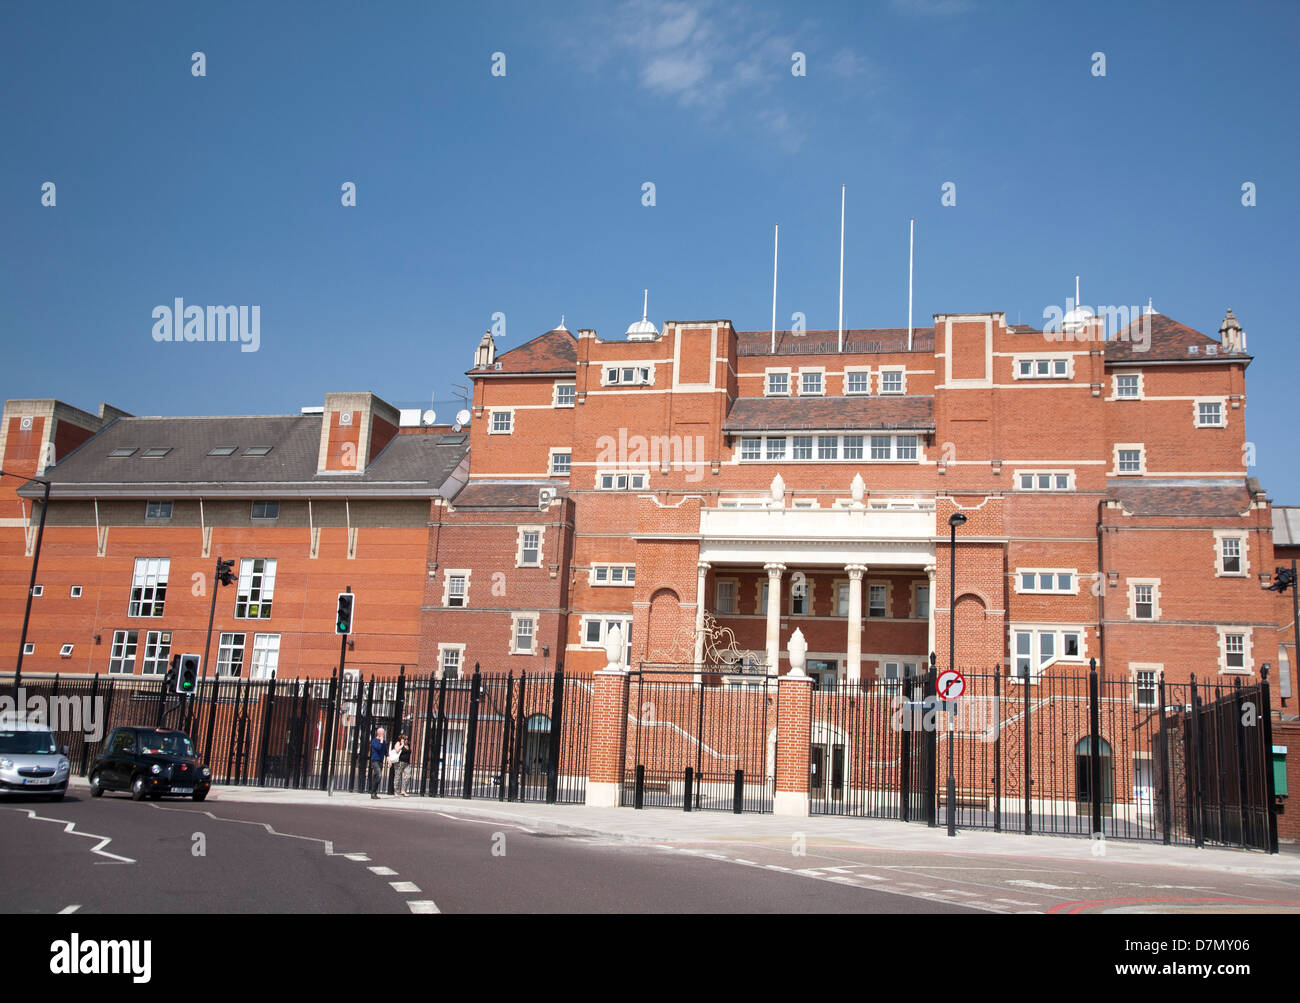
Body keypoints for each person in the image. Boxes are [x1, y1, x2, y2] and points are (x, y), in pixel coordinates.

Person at [368, 727, 387, 799]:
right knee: (379, 775)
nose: (384, 734)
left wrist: (388, 759)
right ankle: (373, 792)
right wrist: (381, 741)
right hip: (375, 760)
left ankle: (374, 793)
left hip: (381, 761)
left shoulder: (384, 742)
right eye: (383, 733)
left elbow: (385, 751)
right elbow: (378, 748)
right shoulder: (374, 741)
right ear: (379, 733)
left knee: (376, 777)